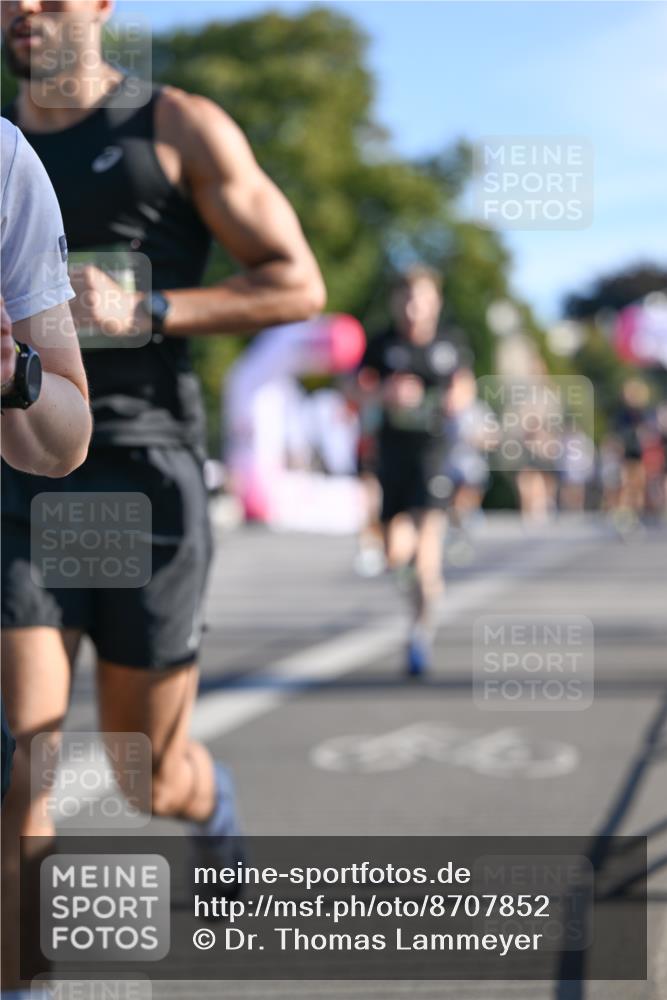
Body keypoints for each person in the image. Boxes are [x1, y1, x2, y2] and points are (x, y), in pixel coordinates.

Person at [1, 0, 325, 991]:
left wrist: (154, 308)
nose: (22, 10)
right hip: (24, 473)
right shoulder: (4, 155)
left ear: (102, 5)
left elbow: (297, 284)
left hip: (146, 474)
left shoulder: (177, 127)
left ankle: (210, 800)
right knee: (25, 759)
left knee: (151, 774)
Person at [1, 117, 91, 807]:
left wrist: (15, 377)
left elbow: (67, 440)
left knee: (155, 759)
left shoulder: (5, 160)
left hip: (149, 466)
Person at [356, 266, 467, 676]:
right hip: (392, 458)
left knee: (426, 555)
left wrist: (455, 398)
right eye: (405, 298)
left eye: (420, 298)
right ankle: (420, 590)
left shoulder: (448, 344)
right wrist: (383, 394)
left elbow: (464, 385)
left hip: (432, 456)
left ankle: (420, 633)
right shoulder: (381, 343)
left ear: (435, 303)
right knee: (394, 551)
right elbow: (352, 386)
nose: (412, 307)